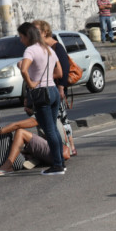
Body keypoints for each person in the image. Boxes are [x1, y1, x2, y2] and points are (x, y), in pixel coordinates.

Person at [16, 21, 65, 176]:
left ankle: (57, 165)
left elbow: (24, 69)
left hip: (41, 93)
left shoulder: (30, 50)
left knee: (48, 130)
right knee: (54, 129)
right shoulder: (48, 48)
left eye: (21, 37)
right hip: (53, 90)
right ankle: (60, 162)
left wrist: (31, 83)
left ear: (27, 36)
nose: (20, 40)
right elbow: (59, 72)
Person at [34, 20, 77, 156]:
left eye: (36, 30)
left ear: (45, 32)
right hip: (46, 88)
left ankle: (70, 146)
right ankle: (62, 147)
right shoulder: (41, 47)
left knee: (62, 119)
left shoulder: (56, 47)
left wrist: (61, 88)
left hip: (56, 88)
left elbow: (64, 69)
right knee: (55, 120)